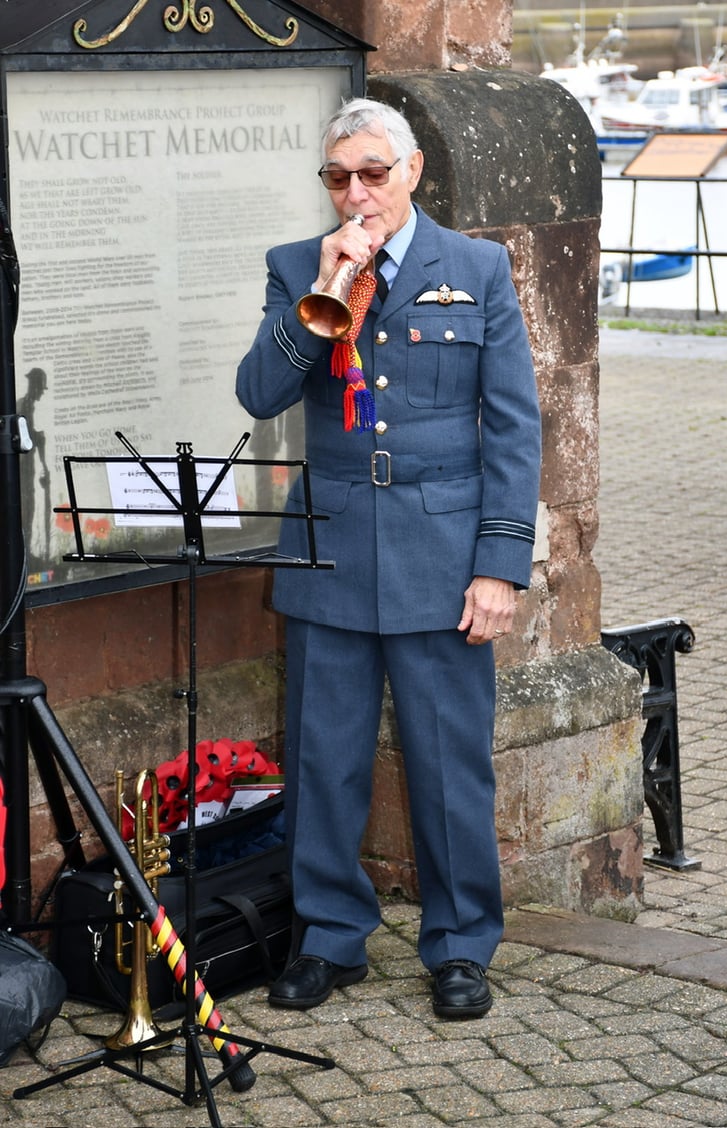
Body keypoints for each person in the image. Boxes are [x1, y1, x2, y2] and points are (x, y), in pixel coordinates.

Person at [236, 97, 541, 1020]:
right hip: (330, 548)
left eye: (373, 173)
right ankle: (329, 939)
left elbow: (515, 428)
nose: (356, 192)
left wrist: (501, 564)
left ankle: (458, 946)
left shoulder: (477, 268)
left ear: (412, 171)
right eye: (339, 177)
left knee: (449, 763)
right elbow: (259, 393)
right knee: (324, 758)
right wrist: (323, 285)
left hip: (443, 554)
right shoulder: (298, 266)